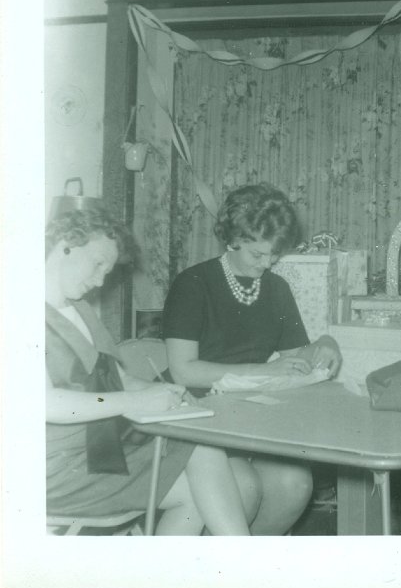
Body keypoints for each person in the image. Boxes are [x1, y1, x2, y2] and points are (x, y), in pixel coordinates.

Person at [46, 207, 253, 535]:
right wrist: (134, 403)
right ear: (64, 245)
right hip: (53, 471)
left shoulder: (81, 310)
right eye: (98, 263)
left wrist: (167, 393)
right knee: (205, 470)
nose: (100, 280)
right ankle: (243, 563)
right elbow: (45, 403)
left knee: (205, 468)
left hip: (99, 450)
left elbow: (118, 377)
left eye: (107, 270)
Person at [163, 182, 342, 535]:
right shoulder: (193, 284)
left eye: (274, 254)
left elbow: (294, 360)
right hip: (195, 419)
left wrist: (326, 341)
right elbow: (183, 371)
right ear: (233, 239)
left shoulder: (276, 289)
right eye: (258, 254)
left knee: (295, 484)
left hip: (250, 417)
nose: (269, 262)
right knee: (245, 488)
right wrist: (263, 369)